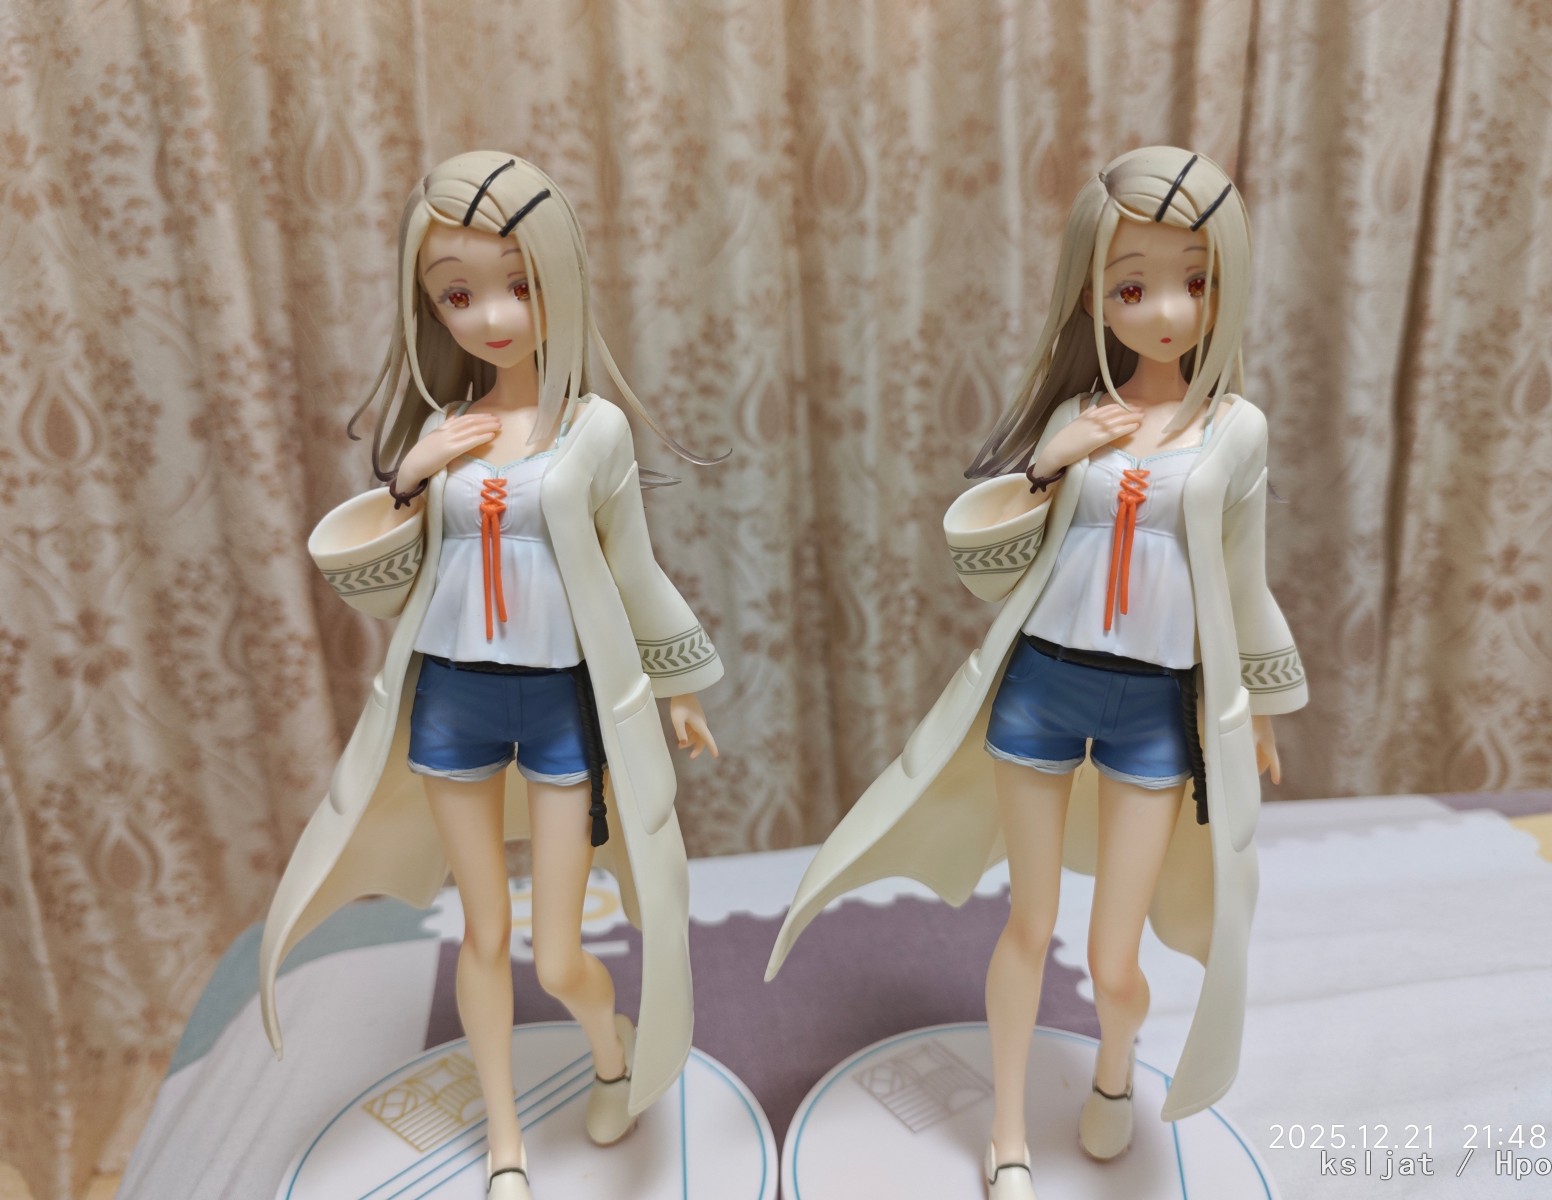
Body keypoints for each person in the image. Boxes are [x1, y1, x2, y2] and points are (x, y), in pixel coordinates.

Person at [766, 146, 1306, 1200]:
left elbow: (1245, 580)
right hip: (1044, 685)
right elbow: (989, 568)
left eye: (1195, 281)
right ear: (1093, 295)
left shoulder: (1236, 432)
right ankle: (1007, 1130)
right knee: (1026, 922)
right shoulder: (1076, 421)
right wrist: (1052, 463)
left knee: (1113, 958)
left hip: (1155, 706)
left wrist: (1262, 704)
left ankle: (1113, 1072)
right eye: (1132, 287)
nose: (1165, 310)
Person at [258, 152, 723, 1200]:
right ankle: (504, 1138)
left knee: (557, 954)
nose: (494, 316)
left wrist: (679, 683)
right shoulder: (443, 431)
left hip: (560, 704)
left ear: (560, 277)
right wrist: (408, 483)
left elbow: (632, 567)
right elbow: (387, 585)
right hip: (454, 701)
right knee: (480, 932)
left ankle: (610, 1049)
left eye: (520, 283)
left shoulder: (595, 429)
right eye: (458, 295)